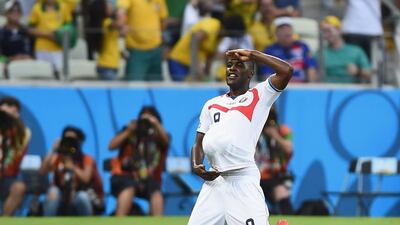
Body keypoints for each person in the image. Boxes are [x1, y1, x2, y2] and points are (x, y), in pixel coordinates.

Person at [188, 48, 293, 225]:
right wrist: (196, 164)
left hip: (242, 179)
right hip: (215, 182)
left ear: (251, 72)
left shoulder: (259, 96)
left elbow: (287, 70)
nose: (232, 69)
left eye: (239, 65)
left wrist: (254, 55)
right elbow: (198, 142)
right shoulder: (212, 104)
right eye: (229, 65)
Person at [108, 106, 169, 216]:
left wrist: (155, 124)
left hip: (149, 178)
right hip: (125, 175)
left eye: (150, 117)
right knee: (128, 187)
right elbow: (111, 146)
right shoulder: (131, 131)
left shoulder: (159, 135)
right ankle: (119, 221)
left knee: (156, 193)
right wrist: (128, 130)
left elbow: (166, 142)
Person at [39, 126, 104, 216]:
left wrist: (72, 167)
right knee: (53, 191)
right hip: (62, 198)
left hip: (81, 198)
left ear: (79, 142)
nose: (69, 143)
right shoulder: (58, 158)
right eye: (66, 139)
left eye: (72, 140)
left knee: (82, 197)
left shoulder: (86, 159)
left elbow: (86, 179)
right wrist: (53, 150)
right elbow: (42, 172)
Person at [168, 4, 224, 81]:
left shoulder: (218, 35)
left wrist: (206, 75)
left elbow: (209, 56)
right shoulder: (214, 23)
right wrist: (197, 65)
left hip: (191, 66)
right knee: (183, 90)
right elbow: (195, 40)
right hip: (180, 61)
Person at [255, 105, 294, 215]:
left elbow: (289, 149)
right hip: (255, 176)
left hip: (275, 176)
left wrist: (274, 135)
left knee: (281, 193)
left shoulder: (283, 130)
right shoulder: (253, 130)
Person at [116, 0, 168, 81]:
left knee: (156, 87)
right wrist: (122, 23)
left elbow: (163, 20)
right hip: (136, 50)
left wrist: (162, 42)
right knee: (133, 86)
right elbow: (121, 11)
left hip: (156, 49)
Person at [0, 96, 31, 216]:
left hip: (6, 177)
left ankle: (4, 221)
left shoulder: (22, 132)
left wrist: (12, 121)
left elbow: (18, 147)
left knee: (19, 187)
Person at [261, 17, 317, 82]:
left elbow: (311, 66)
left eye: (288, 27)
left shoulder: (302, 46)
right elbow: (266, 74)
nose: (286, 30)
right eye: (282, 28)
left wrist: (310, 87)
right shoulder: (269, 50)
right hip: (280, 87)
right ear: (276, 33)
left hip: (302, 86)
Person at [318, 16, 371, 83]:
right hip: (326, 90)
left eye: (329, 31)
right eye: (324, 32)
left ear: (340, 30)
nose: (326, 34)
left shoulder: (356, 51)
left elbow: (370, 74)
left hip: (351, 91)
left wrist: (358, 71)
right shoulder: (320, 53)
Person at [28, 0, 72, 78]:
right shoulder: (37, 8)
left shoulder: (64, 7)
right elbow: (30, 30)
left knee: (61, 75)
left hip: (59, 49)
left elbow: (69, 28)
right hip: (41, 49)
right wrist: (48, 34)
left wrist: (59, 35)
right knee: (42, 75)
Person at [87, 0, 123, 80]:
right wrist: (121, 12)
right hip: (107, 67)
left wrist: (120, 53)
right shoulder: (106, 22)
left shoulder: (103, 23)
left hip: (111, 66)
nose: (111, 6)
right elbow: (118, 25)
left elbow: (110, 44)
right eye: (108, 5)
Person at [0, 0, 32, 79]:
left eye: (18, 11)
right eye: (12, 11)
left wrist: (27, 57)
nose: (15, 13)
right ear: (6, 14)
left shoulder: (26, 31)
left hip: (27, 66)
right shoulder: (2, 32)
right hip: (8, 67)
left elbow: (32, 52)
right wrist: (11, 59)